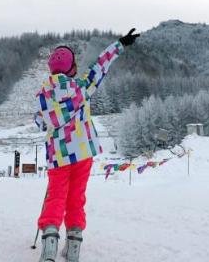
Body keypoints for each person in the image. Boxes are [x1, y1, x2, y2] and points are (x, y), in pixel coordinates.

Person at [34, 29, 139, 262]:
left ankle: (49, 249)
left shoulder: (44, 95)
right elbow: (100, 66)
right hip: (83, 153)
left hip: (59, 157)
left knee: (56, 197)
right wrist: (120, 44)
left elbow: (41, 123)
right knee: (76, 197)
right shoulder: (82, 88)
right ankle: (73, 250)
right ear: (72, 68)